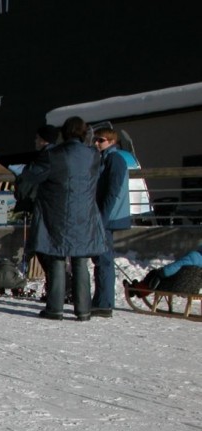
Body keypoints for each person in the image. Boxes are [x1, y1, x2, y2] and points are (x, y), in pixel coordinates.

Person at [18, 116, 106, 321]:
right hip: (85, 215)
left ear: (64, 133)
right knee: (80, 261)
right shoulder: (93, 155)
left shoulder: (54, 155)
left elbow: (31, 175)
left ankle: (55, 308)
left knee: (56, 258)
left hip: (57, 213)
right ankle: (83, 309)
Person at [92, 127, 131, 318]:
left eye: (101, 140)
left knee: (103, 259)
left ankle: (104, 303)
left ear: (112, 141)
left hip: (109, 217)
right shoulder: (106, 158)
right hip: (106, 216)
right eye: (95, 139)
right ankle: (101, 300)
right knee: (101, 259)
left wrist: (102, 218)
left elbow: (112, 191)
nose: (96, 143)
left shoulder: (114, 159)